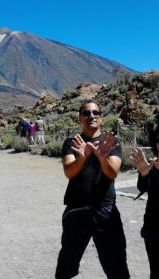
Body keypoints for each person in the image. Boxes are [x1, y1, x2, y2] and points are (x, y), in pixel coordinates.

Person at [55, 99, 130, 279]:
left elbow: (112, 173)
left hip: (105, 209)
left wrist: (103, 157)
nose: (91, 116)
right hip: (77, 209)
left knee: (116, 264)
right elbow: (69, 172)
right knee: (67, 265)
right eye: (86, 113)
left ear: (101, 118)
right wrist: (82, 157)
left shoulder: (112, 142)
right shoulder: (72, 142)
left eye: (95, 113)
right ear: (80, 118)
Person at [130, 123, 159, 279]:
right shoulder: (152, 163)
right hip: (154, 228)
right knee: (156, 273)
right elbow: (142, 188)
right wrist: (143, 173)